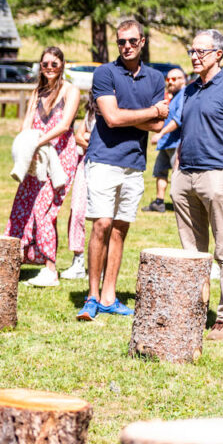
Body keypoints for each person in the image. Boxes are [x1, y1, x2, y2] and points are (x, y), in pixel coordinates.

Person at [78, 19, 167, 321]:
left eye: (131, 41)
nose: (126, 46)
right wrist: (150, 112)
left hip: (134, 163)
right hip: (103, 158)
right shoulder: (105, 73)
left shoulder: (156, 78)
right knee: (101, 224)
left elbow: (158, 125)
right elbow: (112, 118)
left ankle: (109, 296)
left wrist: (140, 116)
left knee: (120, 229)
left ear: (142, 42)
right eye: (121, 42)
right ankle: (91, 295)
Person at [171, 30, 223, 341]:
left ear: (218, 54)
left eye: (201, 51)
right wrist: (178, 171)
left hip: (218, 177)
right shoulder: (189, 90)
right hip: (185, 178)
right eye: (191, 51)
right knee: (192, 253)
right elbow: (183, 129)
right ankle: (194, 314)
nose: (194, 56)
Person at [6, 47, 80, 287]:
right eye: (45, 64)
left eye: (54, 63)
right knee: (22, 206)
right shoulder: (37, 92)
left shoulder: (71, 91)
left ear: (62, 65)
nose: (49, 68)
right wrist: (27, 145)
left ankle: (50, 269)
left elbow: (65, 125)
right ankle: (14, 259)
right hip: (36, 157)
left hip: (60, 156)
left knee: (44, 209)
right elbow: (26, 124)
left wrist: (38, 140)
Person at [60, 97, 97, 281]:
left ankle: (99, 264)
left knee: (103, 215)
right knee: (77, 210)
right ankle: (78, 259)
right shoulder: (91, 112)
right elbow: (78, 136)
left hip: (106, 165)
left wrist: (90, 139)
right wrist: (92, 141)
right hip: (86, 163)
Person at [143, 68, 187, 213]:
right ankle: (159, 202)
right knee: (160, 172)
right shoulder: (173, 96)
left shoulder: (184, 95)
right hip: (166, 143)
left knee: (178, 174)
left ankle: (180, 203)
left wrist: (160, 134)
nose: (170, 82)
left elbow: (178, 120)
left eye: (174, 79)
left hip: (177, 143)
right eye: (168, 79)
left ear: (183, 79)